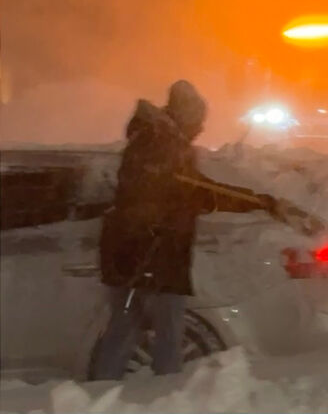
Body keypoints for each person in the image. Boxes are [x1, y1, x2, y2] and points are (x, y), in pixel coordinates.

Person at [93, 80, 280, 380]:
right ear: (184, 115)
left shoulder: (158, 144)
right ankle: (166, 395)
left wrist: (257, 201)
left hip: (140, 259)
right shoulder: (161, 147)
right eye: (198, 119)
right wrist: (258, 202)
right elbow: (180, 196)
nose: (202, 128)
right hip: (151, 259)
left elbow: (196, 193)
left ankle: (105, 395)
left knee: (126, 330)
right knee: (164, 336)